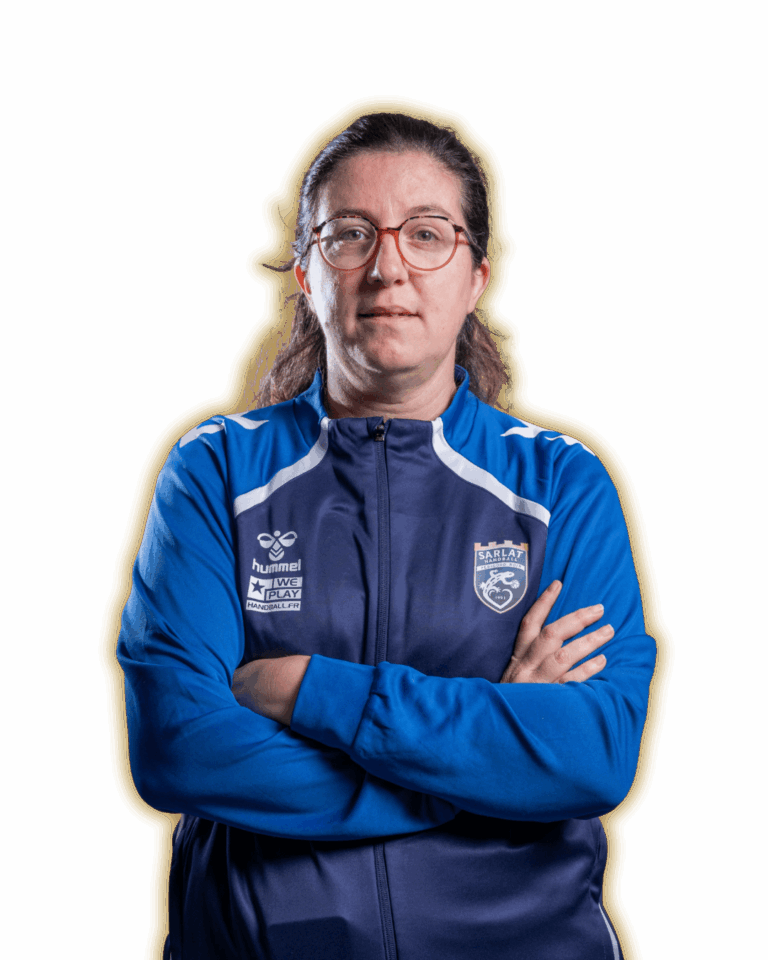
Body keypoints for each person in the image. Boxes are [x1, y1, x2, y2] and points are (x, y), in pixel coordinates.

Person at [118, 112, 656, 960]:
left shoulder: (559, 485)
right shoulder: (216, 473)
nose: (388, 266)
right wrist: (475, 765)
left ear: (477, 276)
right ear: (306, 271)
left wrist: (308, 690)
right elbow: (179, 747)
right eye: (350, 234)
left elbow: (590, 753)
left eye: (427, 234)